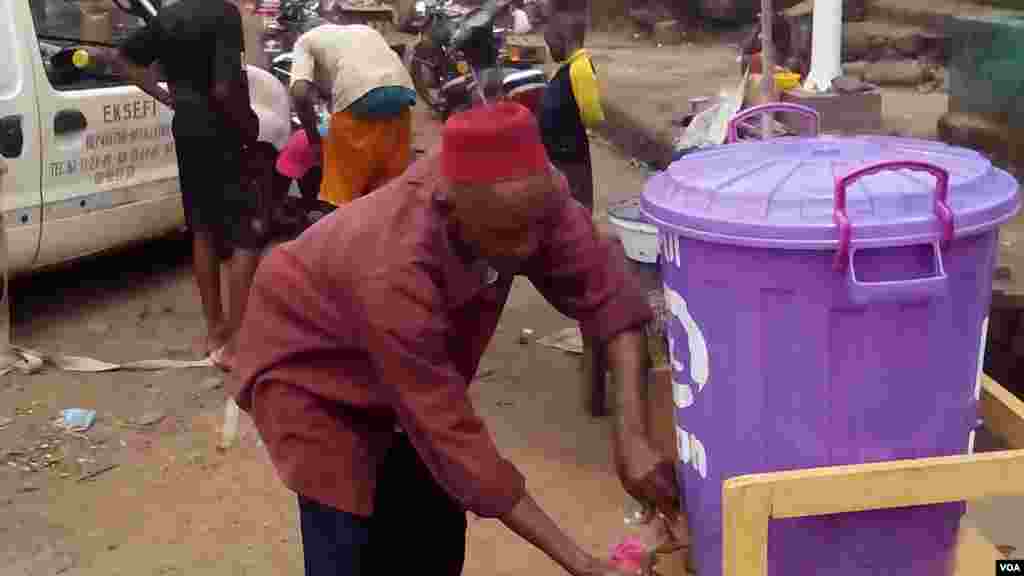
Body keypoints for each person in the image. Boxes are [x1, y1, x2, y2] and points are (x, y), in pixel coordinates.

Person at [229, 101, 686, 575]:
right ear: (449, 209)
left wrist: (632, 434)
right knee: (348, 532)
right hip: (310, 368)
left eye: (537, 231)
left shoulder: (531, 200)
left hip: (402, 356)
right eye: (508, 237)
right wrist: (583, 564)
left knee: (434, 525)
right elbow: (448, 431)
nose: (528, 250)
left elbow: (609, 295)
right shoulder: (394, 264)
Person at [88, 0, 263, 367]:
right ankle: (238, 340)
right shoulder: (224, 14)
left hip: (187, 123)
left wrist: (166, 97)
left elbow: (123, 60)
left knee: (203, 228)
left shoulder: (167, 16)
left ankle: (214, 331)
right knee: (245, 230)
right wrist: (247, 125)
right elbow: (223, 87)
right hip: (223, 127)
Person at [287, 23, 417, 210]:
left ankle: (339, 234)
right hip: (401, 95)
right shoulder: (363, 31)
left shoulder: (304, 41)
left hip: (358, 97)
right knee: (387, 191)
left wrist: (313, 139)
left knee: (341, 194)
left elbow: (299, 93)